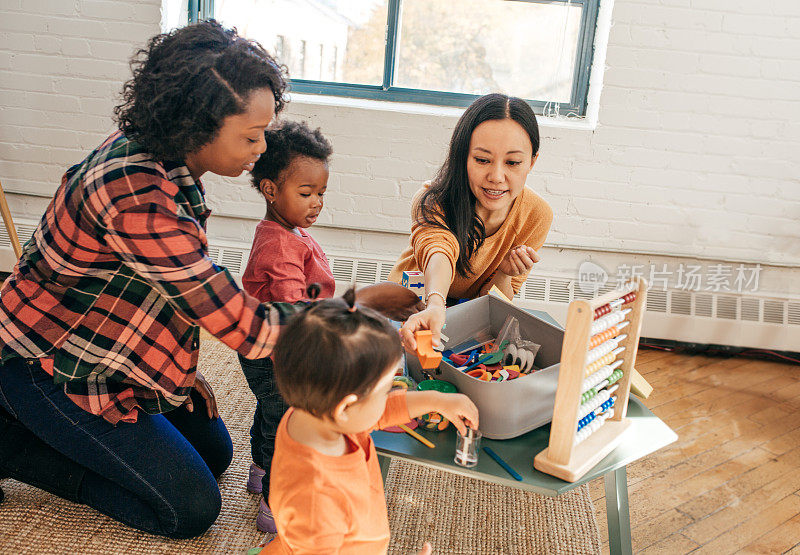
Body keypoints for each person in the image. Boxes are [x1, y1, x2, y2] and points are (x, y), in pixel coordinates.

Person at [0, 20, 419, 537]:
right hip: (49, 366)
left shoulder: (169, 160)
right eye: (250, 136)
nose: (262, 149)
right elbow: (243, 324)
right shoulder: (134, 194)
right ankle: (13, 446)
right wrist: (360, 305)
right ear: (198, 124)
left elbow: (171, 291)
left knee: (216, 453)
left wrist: (177, 370)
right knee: (190, 509)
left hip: (104, 347)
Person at [260, 287, 478, 554]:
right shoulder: (315, 503)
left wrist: (436, 400)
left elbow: (378, 412)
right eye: (384, 390)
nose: (391, 395)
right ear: (346, 407)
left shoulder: (315, 416)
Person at [391, 93, 553, 350]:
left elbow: (494, 307)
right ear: (463, 157)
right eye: (482, 160)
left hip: (468, 313)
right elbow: (439, 251)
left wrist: (504, 274)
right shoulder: (432, 199)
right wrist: (435, 304)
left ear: (531, 162)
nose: (497, 176)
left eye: (512, 162)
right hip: (411, 304)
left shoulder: (536, 215)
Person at [238, 120, 335, 532]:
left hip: (267, 350)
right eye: (306, 193)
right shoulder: (278, 246)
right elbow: (294, 309)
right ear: (270, 189)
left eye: (321, 194)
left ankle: (260, 471)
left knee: (270, 409)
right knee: (286, 423)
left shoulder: (287, 231)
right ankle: (275, 504)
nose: (317, 203)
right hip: (277, 353)